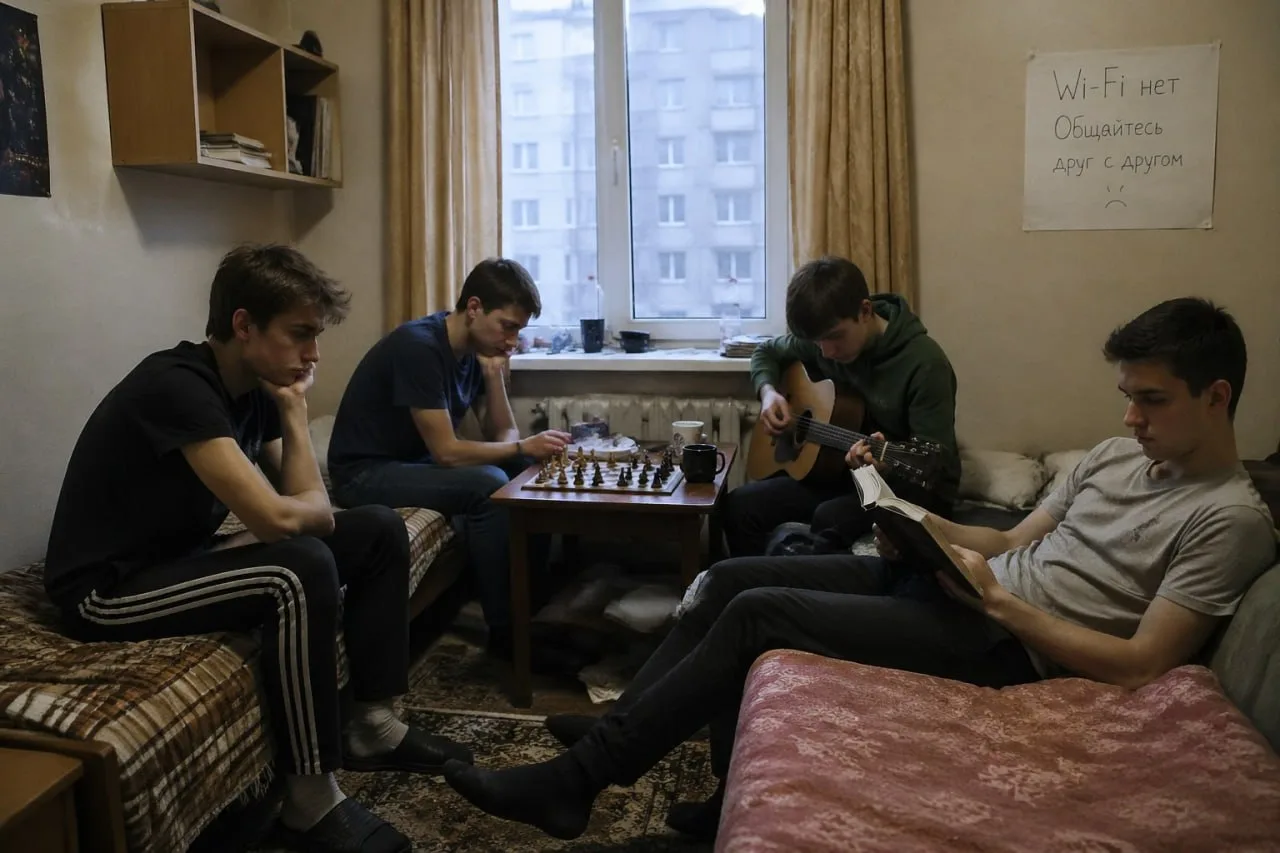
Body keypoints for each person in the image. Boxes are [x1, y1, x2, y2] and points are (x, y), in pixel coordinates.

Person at [441, 297, 1277, 841]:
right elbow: (1011, 538)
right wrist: (915, 523)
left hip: (1005, 643)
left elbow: (1141, 662)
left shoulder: (1229, 519)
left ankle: (579, 780)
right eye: (1127, 395)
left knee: (759, 615)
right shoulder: (1110, 457)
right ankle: (680, 771)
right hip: (966, 588)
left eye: (1152, 399)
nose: (1130, 417)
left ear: (1217, 396)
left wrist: (1002, 607)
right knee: (731, 578)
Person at [44, 244, 473, 853]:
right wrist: (301, 492)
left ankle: (373, 724)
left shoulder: (252, 388)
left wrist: (293, 411)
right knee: (297, 569)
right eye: (301, 333)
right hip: (107, 591)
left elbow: (306, 501)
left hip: (178, 559)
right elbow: (280, 518)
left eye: (316, 335)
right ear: (243, 325)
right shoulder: (176, 386)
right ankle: (310, 800)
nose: (314, 353)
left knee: (378, 529)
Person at [327, 258, 574, 667]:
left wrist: (493, 376)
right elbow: (447, 451)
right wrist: (521, 447)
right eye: (507, 326)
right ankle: (506, 635)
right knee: (487, 483)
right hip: (363, 473)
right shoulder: (419, 347)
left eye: (518, 331)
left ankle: (531, 611)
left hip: (412, 463)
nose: (512, 341)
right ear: (474, 307)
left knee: (525, 472)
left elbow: (505, 435)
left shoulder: (473, 351)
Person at [721, 256, 961, 557]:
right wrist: (768, 393)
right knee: (739, 506)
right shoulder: (824, 339)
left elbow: (935, 463)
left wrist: (885, 465)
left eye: (835, 337)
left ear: (865, 311)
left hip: (908, 487)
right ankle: (757, 583)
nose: (826, 352)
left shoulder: (925, 364)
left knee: (830, 517)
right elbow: (766, 351)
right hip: (843, 473)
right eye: (817, 342)